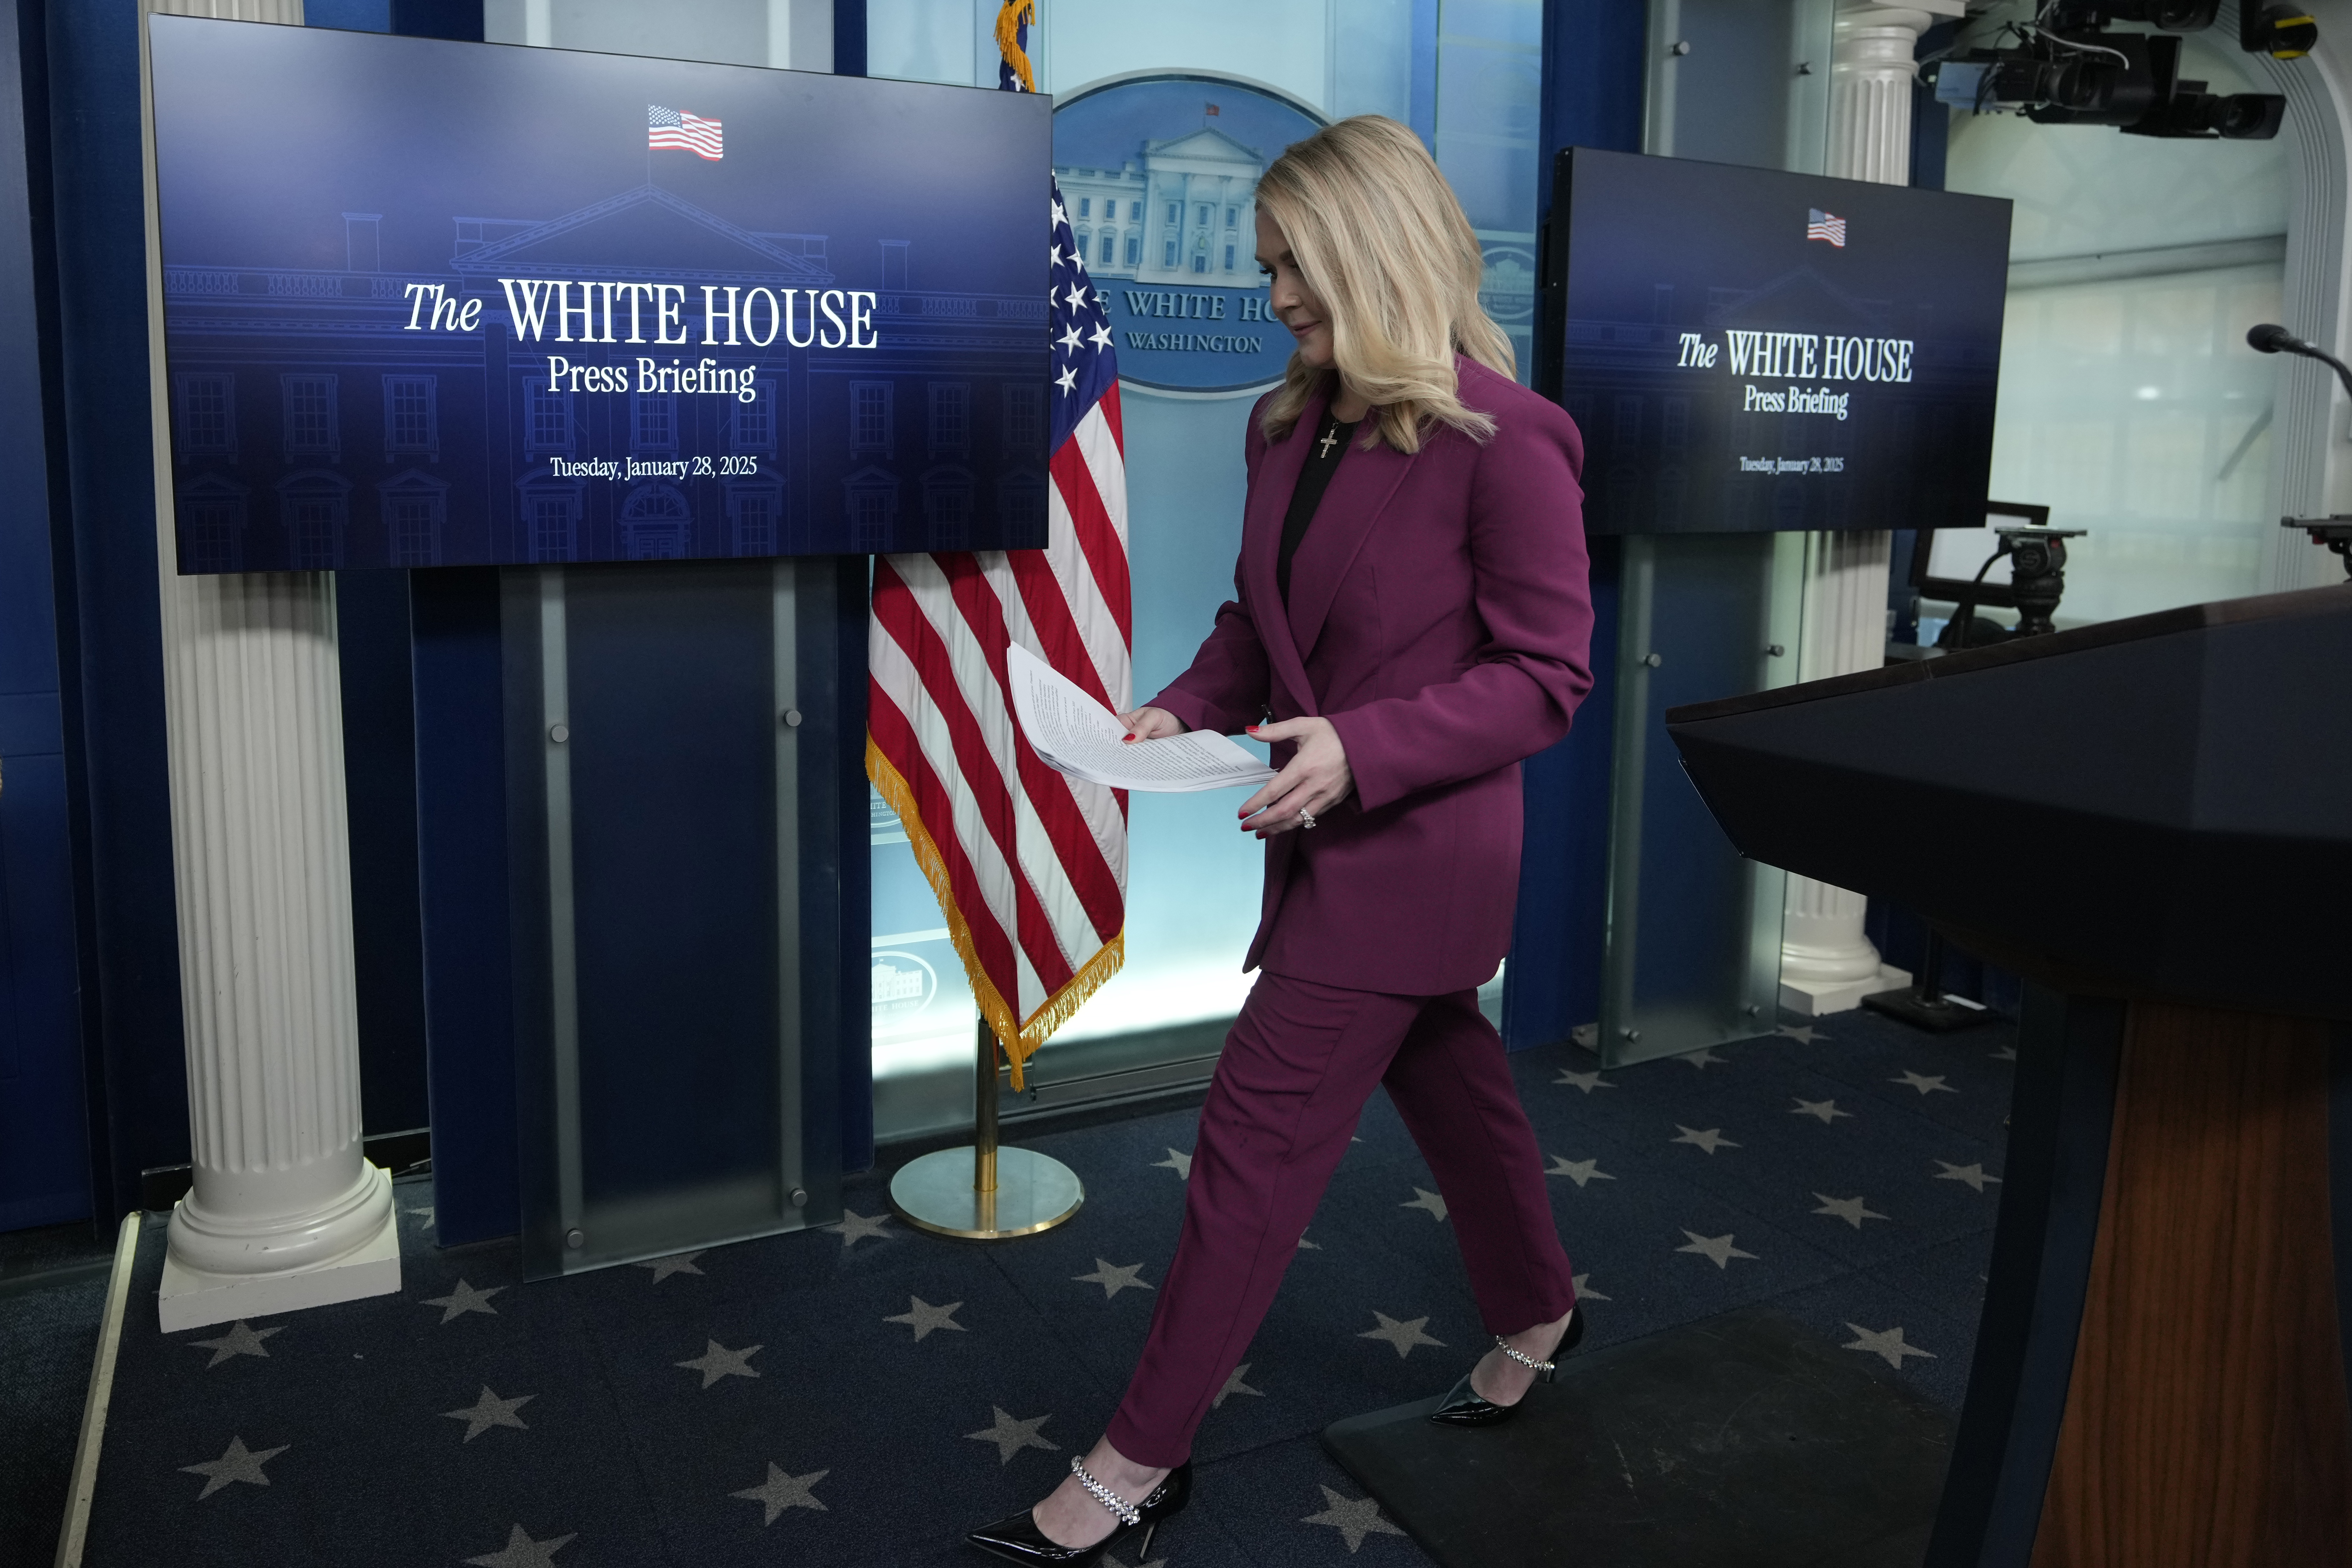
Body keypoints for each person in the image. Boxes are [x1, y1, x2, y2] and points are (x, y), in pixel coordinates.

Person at [967, 114, 1595, 1566]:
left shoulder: (1511, 439)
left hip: (1413, 856)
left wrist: (1364, 748)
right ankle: (1541, 1306)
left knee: (1250, 1148)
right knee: (1457, 1091)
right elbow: (1264, 622)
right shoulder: (1287, 422)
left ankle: (1136, 1467)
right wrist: (1173, 711)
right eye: (1265, 272)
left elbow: (1547, 677)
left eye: (1294, 269)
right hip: (1323, 843)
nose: (1277, 301)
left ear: (1375, 249)